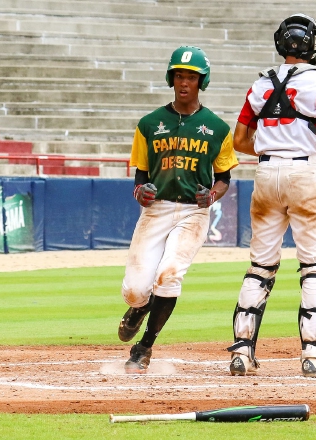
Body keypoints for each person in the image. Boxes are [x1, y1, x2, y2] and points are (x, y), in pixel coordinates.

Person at [228, 14, 316, 378]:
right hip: (303, 171)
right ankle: (311, 356)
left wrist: (274, 147)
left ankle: (241, 351)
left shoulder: (258, 85)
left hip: (266, 172)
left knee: (260, 267)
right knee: (314, 266)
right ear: (312, 45)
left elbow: (239, 141)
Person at [118, 45, 239, 374]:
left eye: (191, 77)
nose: (184, 82)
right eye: (179, 76)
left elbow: (225, 178)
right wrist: (140, 192)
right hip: (156, 210)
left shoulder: (217, 127)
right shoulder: (149, 124)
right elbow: (141, 175)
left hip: (192, 213)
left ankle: (144, 347)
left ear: (202, 82)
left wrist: (212, 196)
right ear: (171, 79)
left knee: (169, 276)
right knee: (133, 291)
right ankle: (138, 308)